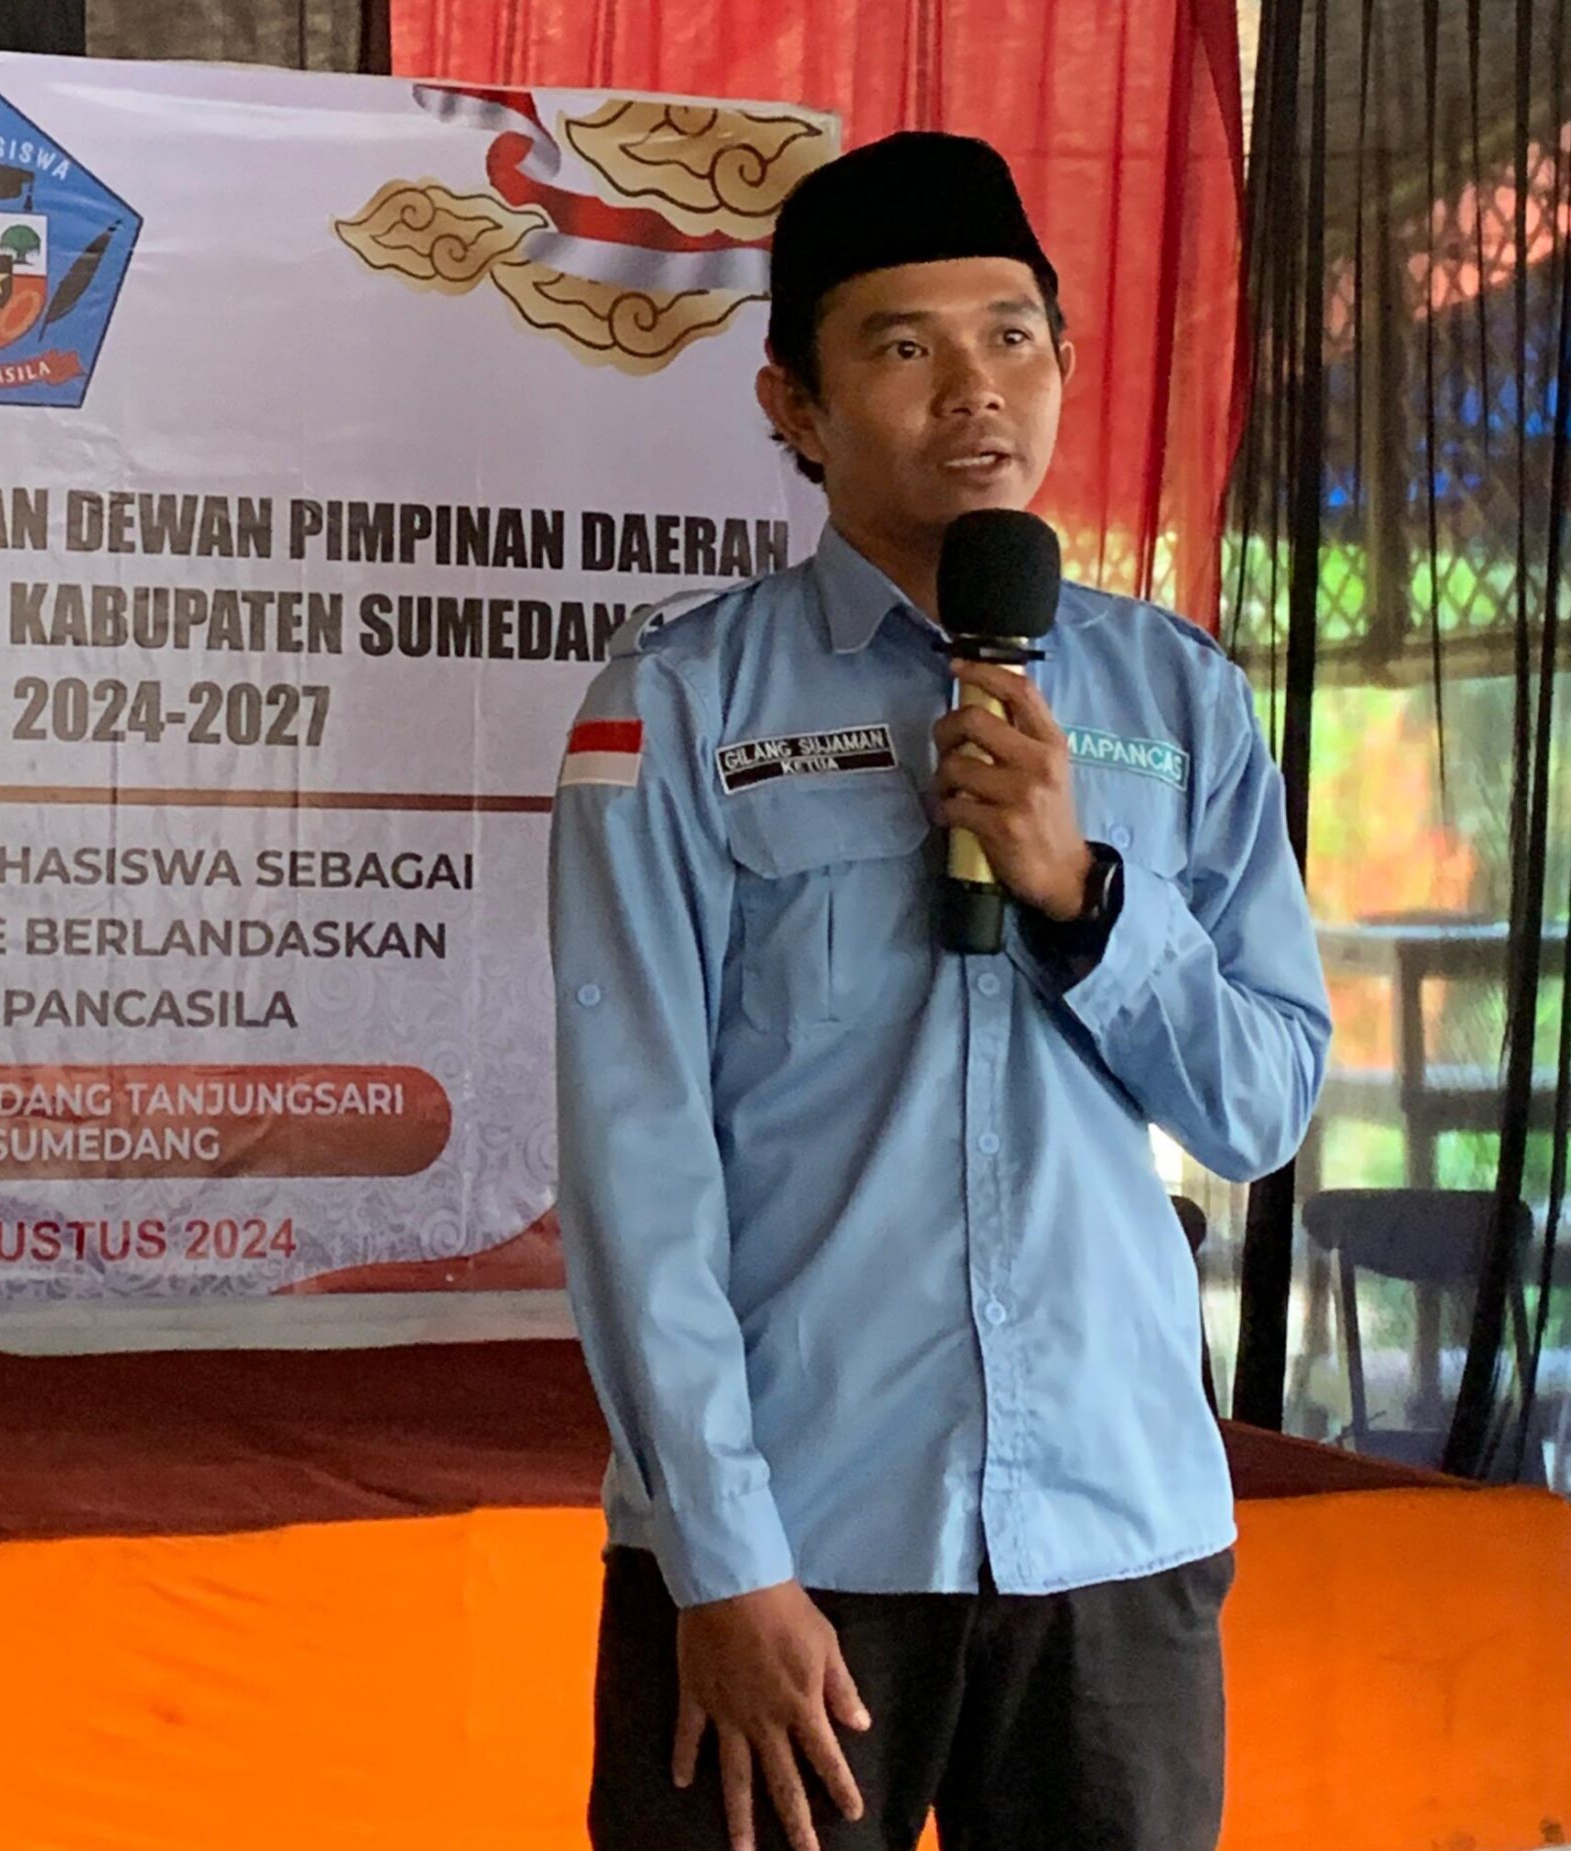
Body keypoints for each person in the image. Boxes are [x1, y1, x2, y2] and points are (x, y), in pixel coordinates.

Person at [548, 131, 1331, 1851]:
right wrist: (722, 1561)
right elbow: (634, 1160)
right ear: (797, 406)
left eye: (1012, 336)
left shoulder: (1180, 699)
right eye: (904, 346)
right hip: (797, 1549)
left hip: (1116, 1541)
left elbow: (1264, 1103)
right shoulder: (676, 704)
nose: (976, 389)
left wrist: (1086, 897)